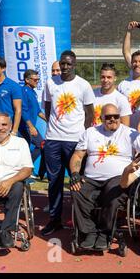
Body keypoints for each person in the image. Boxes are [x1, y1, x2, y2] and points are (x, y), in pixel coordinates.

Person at [69, 104, 140, 250]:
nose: (112, 119)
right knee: (77, 190)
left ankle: (105, 233)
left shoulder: (130, 133)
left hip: (118, 177)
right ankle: (89, 232)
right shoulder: (90, 132)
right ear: (101, 118)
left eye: (115, 116)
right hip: (91, 178)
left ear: (120, 117)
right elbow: (78, 155)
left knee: (113, 191)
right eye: (108, 117)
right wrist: (74, 174)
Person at [41, 50, 95, 236]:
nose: (64, 67)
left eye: (68, 64)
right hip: (53, 140)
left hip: (75, 141)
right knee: (54, 181)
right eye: (62, 64)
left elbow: (90, 114)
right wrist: (54, 129)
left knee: (77, 181)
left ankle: (80, 221)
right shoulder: (50, 83)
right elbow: (48, 110)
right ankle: (55, 220)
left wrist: (82, 137)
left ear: (74, 64)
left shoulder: (83, 85)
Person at [0, 112, 33, 249]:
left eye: (4, 124)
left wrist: (9, 182)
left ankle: (6, 231)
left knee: (18, 188)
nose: (0, 128)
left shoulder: (21, 143)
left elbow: (27, 169)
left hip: (12, 182)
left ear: (10, 126)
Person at [18, 69, 47, 163]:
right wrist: (30, 127)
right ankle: (27, 168)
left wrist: (50, 120)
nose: (37, 82)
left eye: (38, 79)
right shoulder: (24, 91)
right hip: (25, 127)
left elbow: (38, 111)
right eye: (35, 80)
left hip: (30, 127)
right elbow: (23, 110)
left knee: (40, 145)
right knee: (40, 144)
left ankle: (27, 168)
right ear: (27, 80)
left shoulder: (32, 92)